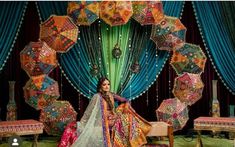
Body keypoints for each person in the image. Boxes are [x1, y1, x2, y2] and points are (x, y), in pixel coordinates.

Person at [59, 77, 151, 147]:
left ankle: (134, 140)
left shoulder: (111, 94)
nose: (107, 86)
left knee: (128, 115)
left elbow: (124, 100)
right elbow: (89, 111)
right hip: (105, 120)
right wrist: (83, 123)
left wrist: (126, 104)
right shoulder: (97, 96)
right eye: (104, 84)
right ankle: (132, 141)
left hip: (113, 116)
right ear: (100, 86)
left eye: (108, 84)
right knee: (126, 118)